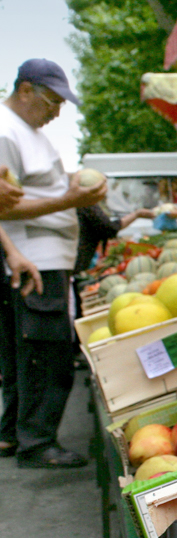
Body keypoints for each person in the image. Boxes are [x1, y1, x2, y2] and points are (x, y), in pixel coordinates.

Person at [0, 59, 109, 468]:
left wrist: (78, 182)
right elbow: (5, 206)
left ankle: (13, 434)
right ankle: (37, 442)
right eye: (51, 101)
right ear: (25, 90)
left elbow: (40, 187)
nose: (55, 112)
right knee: (47, 353)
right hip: (34, 260)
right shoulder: (6, 131)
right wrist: (71, 201)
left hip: (42, 259)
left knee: (21, 351)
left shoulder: (28, 133)